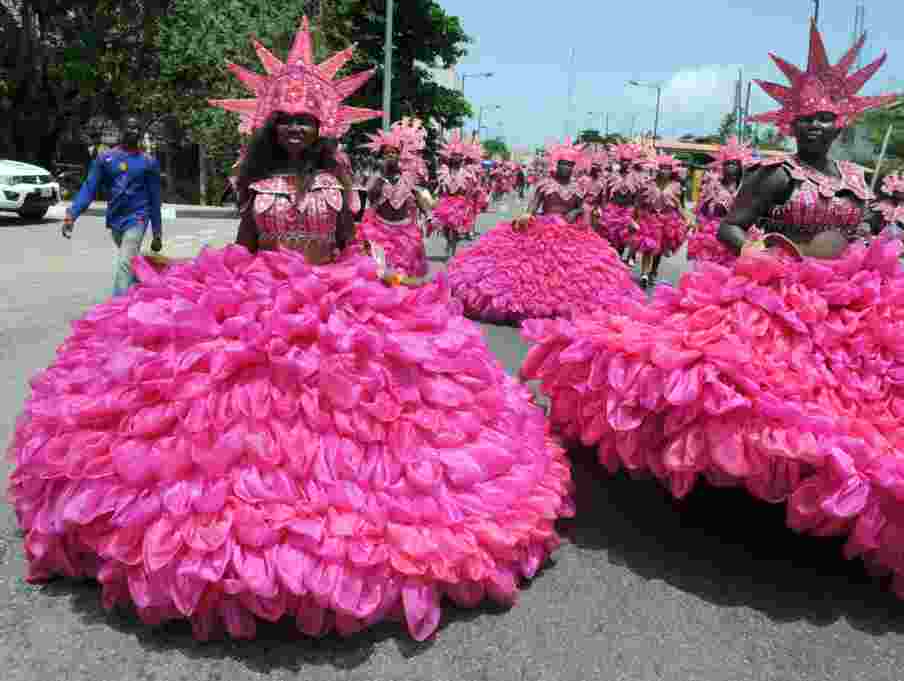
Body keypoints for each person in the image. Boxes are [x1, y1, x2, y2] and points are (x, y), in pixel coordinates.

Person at [8, 17, 573, 643]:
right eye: (287, 120)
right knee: (235, 423)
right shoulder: (256, 183)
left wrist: (377, 280)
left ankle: (341, 543)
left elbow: (350, 244)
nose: (296, 128)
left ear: (323, 126)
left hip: (334, 303)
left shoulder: (339, 183)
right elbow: (245, 249)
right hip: (263, 303)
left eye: (306, 120)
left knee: (362, 426)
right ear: (272, 126)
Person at [519, 21, 904, 623]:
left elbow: (861, 234)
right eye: (804, 118)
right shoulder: (777, 172)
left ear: (841, 124)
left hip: (849, 302)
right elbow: (732, 225)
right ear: (792, 124)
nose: (814, 126)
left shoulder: (855, 179)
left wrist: (876, 257)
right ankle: (744, 485)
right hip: (776, 294)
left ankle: (844, 499)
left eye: (825, 118)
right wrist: (753, 252)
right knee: (751, 395)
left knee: (874, 407)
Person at [445, 139, 643, 323]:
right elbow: (532, 207)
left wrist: (576, 214)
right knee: (528, 270)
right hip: (542, 228)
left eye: (570, 164)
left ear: (574, 167)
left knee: (571, 274)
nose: (566, 167)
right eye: (563, 163)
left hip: (569, 233)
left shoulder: (577, 188)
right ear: (556, 165)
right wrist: (526, 216)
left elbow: (583, 208)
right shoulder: (544, 184)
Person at [62, 115, 163, 298]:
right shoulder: (105, 159)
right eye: (129, 128)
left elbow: (155, 198)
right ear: (121, 130)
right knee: (132, 262)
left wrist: (157, 231)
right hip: (116, 219)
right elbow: (89, 188)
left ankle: (118, 309)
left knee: (125, 262)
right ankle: (145, 291)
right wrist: (72, 214)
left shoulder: (149, 162)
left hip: (138, 217)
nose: (133, 132)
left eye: (137, 129)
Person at [345, 118, 434, 278]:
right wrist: (380, 176)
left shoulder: (408, 176)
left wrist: (428, 215)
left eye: (393, 152)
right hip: (380, 228)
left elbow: (417, 195)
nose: (390, 155)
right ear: (382, 156)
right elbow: (371, 199)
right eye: (386, 153)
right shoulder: (376, 177)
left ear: (400, 155)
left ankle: (400, 296)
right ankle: (389, 294)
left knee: (404, 269)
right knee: (382, 269)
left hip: (404, 230)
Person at [688, 137, 762, 266]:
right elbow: (702, 210)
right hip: (713, 235)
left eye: (734, 163)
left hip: (739, 234)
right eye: (727, 163)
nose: (730, 167)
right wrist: (699, 224)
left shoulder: (747, 186)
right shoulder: (713, 185)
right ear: (722, 166)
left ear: (740, 167)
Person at [630, 155, 688, 288]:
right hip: (650, 219)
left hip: (667, 221)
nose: (664, 171)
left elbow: (679, 205)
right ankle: (644, 274)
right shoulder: (648, 183)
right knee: (648, 248)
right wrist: (633, 218)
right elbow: (638, 202)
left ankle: (653, 272)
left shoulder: (676, 186)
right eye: (662, 168)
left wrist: (686, 219)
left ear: (672, 171)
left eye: (667, 168)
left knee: (659, 250)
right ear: (657, 169)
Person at [431, 131, 484, 258]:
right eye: (454, 155)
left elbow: (470, 189)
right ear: (450, 157)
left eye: (459, 156)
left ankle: (452, 249)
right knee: (444, 229)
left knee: (455, 230)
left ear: (462, 158)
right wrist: (438, 201)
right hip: (445, 201)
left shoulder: (467, 172)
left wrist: (466, 205)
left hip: (460, 202)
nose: (456, 158)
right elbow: (440, 187)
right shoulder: (443, 170)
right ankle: (448, 243)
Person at [870, 171, 904, 240]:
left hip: (897, 240)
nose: (899, 195)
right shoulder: (882, 206)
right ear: (892, 192)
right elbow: (876, 223)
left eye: (901, 193)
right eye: (897, 192)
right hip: (881, 237)